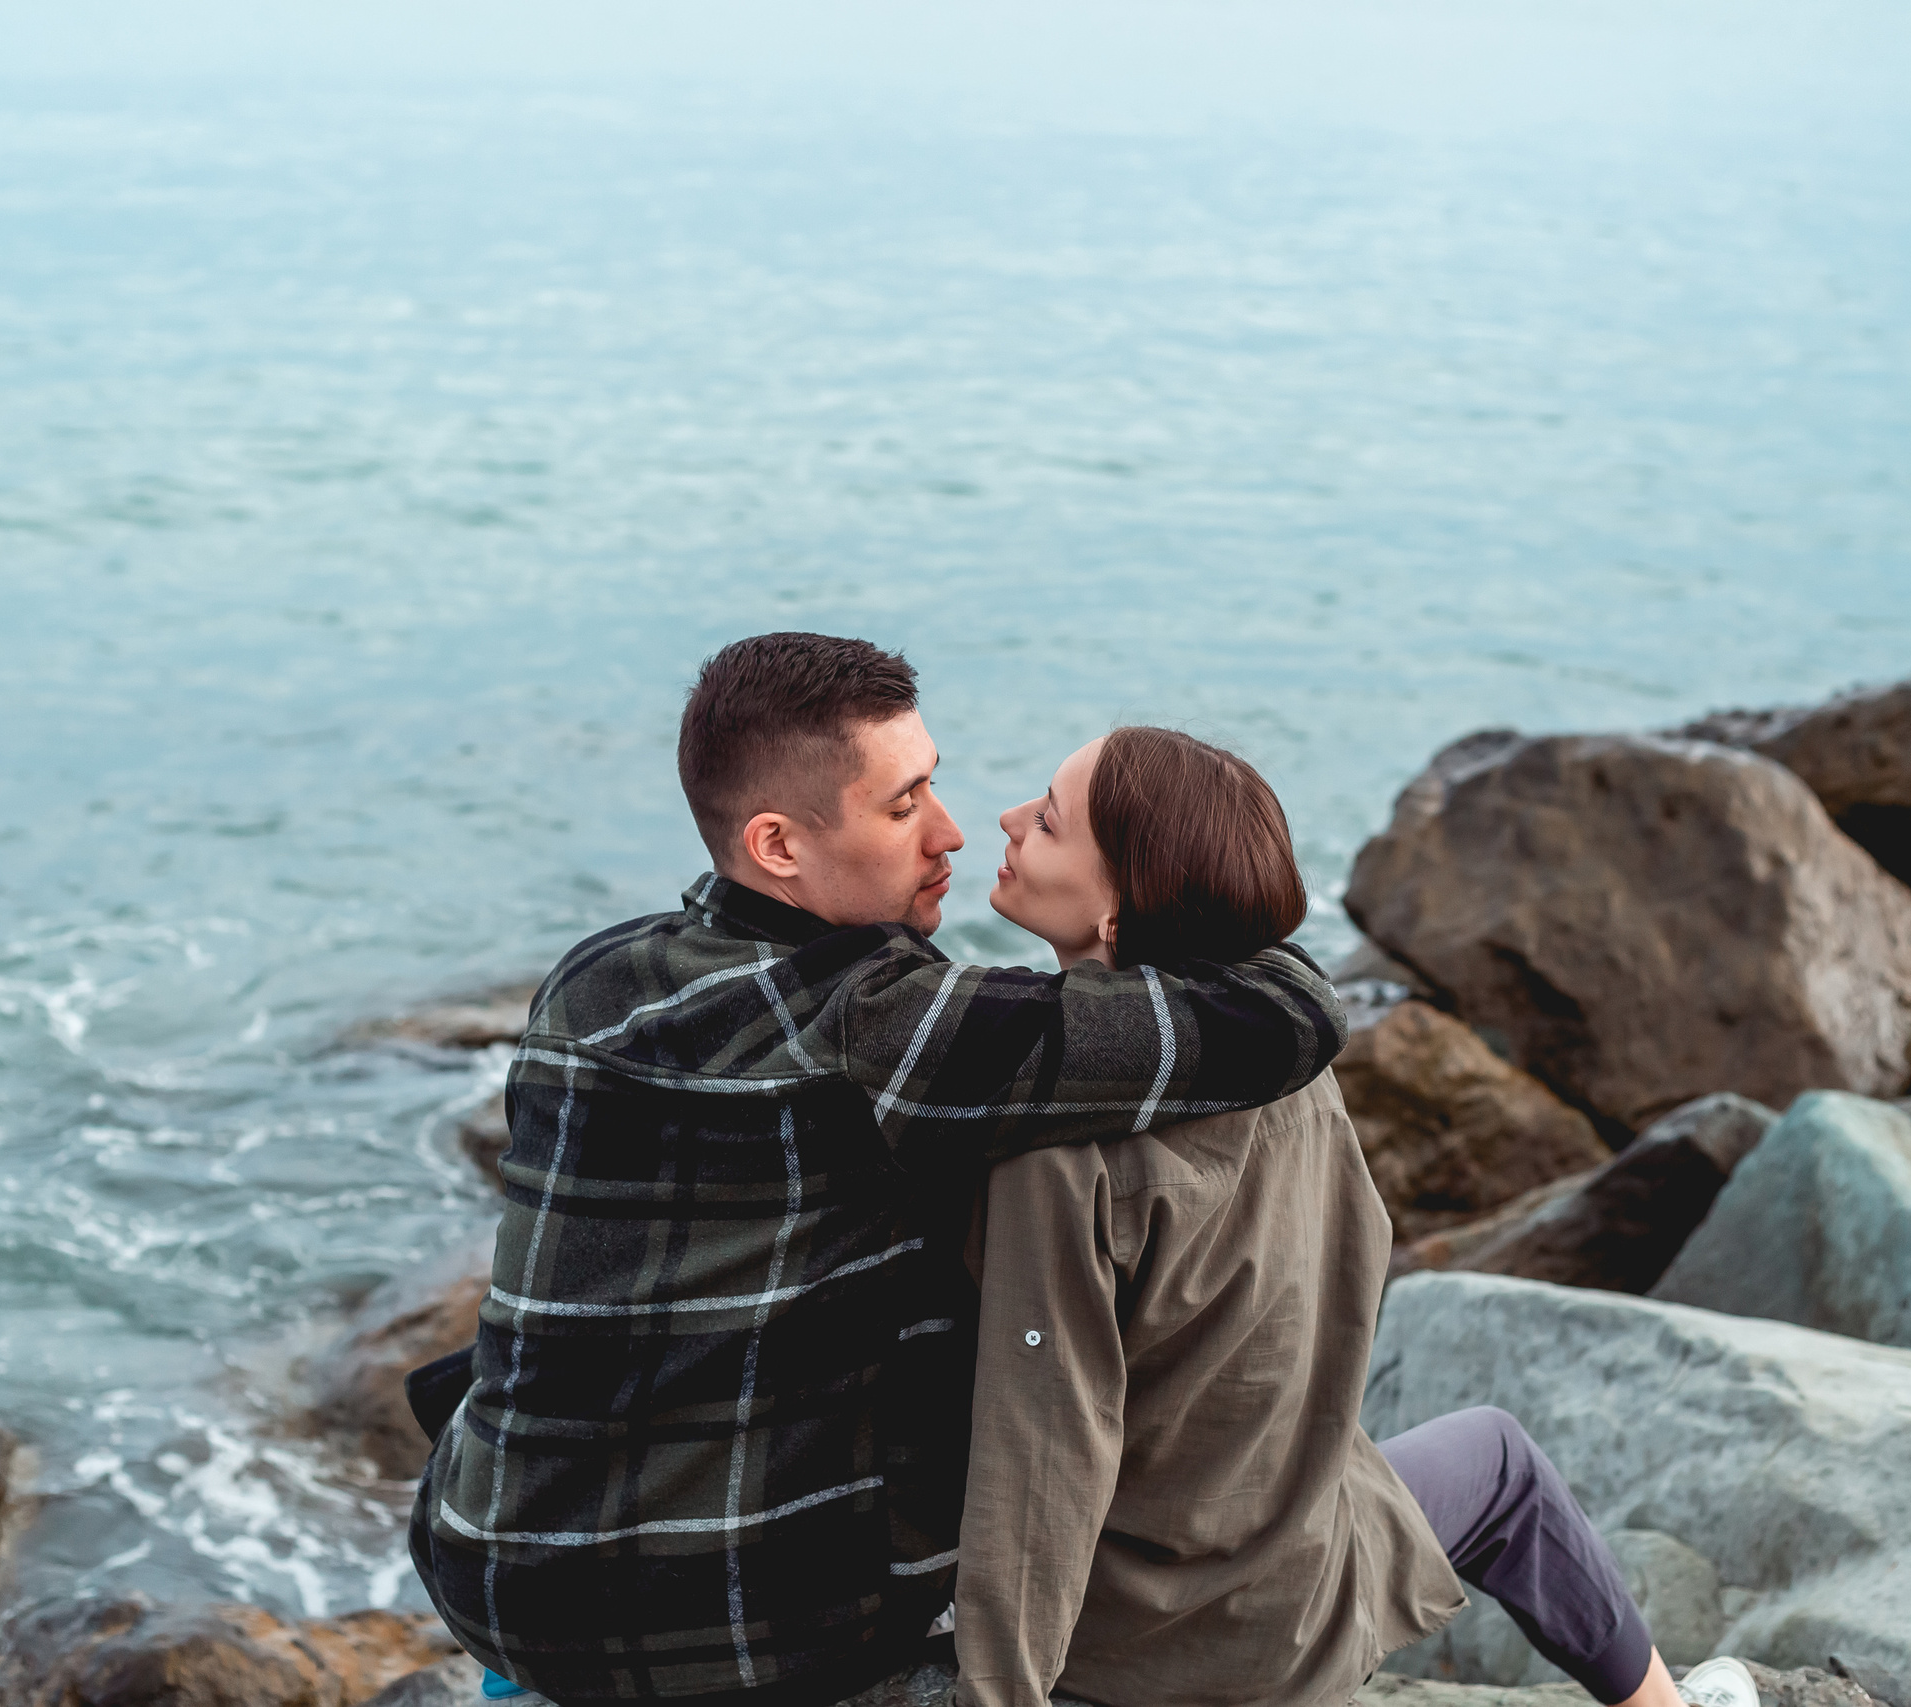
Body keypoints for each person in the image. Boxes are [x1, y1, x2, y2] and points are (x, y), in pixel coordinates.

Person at [407, 636, 1355, 1707]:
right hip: (728, 1637)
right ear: (776, 844)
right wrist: (1215, 905)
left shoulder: (593, 980)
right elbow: (1280, 1019)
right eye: (904, 807)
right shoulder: (882, 1026)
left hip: (484, 1563)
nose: (950, 832)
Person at [953, 726, 1758, 1707]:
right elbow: (1348, 1274)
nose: (1003, 821)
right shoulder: (1290, 1067)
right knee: (1498, 1460)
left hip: (1143, 1656)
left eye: (1044, 819)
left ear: (1118, 914)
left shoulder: (1054, 1147)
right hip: (1299, 1597)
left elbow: (1043, 1461)